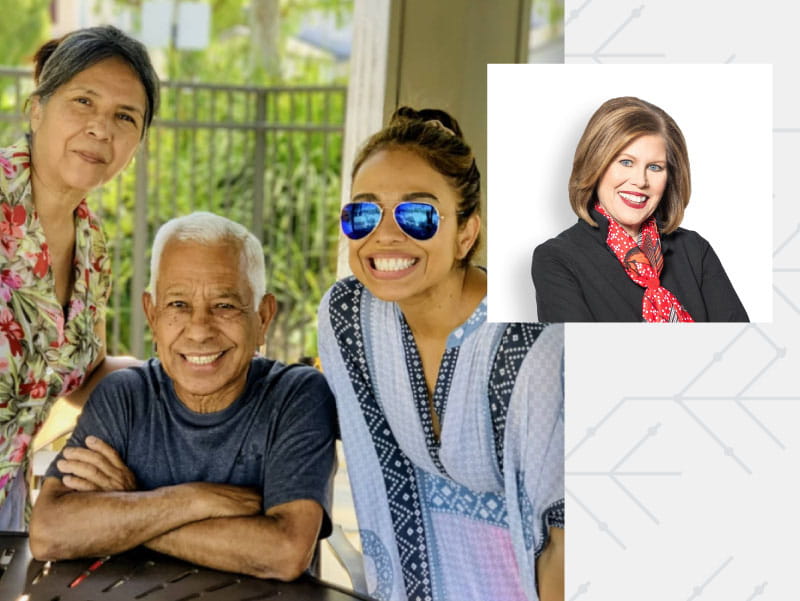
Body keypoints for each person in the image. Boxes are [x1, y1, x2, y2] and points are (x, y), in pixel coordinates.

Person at [318, 107, 564, 601]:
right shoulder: (350, 317)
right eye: (364, 212)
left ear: (466, 234)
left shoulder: (531, 343)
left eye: (418, 214)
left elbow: (563, 531)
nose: (385, 234)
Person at [29, 213, 337, 580]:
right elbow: (50, 532)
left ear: (264, 317)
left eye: (225, 305)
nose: (200, 330)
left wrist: (128, 508)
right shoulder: (124, 395)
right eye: (178, 305)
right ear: (151, 314)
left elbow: (283, 553)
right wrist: (191, 500)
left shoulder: (296, 396)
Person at [0, 25, 161, 529]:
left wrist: (168, 375)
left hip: (9, 500)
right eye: (83, 102)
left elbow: (77, 378)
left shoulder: (93, 245)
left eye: (124, 116)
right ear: (37, 108)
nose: (101, 129)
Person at [531, 96, 749, 322]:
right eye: (626, 162)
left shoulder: (695, 250)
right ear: (596, 164)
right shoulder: (558, 259)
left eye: (655, 167)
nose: (640, 181)